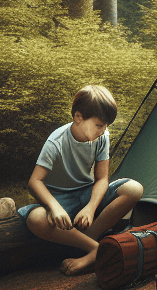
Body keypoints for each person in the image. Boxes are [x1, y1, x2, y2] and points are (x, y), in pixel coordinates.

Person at [19, 85, 143, 275]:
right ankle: (96, 249)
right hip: (61, 200)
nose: (104, 130)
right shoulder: (56, 142)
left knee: (134, 189)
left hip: (87, 194)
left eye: (106, 126)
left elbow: (102, 178)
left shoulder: (102, 137)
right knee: (35, 218)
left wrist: (91, 207)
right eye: (99, 125)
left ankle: (87, 242)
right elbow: (34, 182)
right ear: (78, 117)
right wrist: (54, 206)